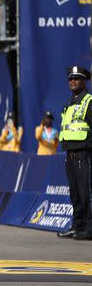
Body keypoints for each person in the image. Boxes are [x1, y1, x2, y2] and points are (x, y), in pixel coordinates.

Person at [57, 66, 92, 240]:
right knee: (75, 193)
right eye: (71, 78)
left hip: (84, 153)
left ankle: (88, 228)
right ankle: (77, 226)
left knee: (86, 193)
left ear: (84, 80)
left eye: (77, 78)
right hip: (70, 154)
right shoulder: (69, 104)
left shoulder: (89, 101)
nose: (73, 81)